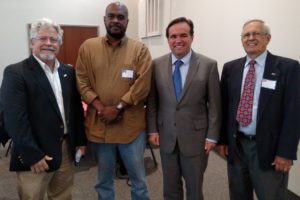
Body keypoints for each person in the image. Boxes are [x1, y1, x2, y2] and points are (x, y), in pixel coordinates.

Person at [0, 18, 87, 199]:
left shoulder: (68, 72)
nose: (48, 43)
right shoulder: (16, 73)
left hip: (64, 148)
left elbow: (75, 110)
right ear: (32, 42)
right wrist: (32, 155)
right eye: (43, 38)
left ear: (59, 44)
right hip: (35, 152)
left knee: (63, 195)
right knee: (32, 196)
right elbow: (15, 119)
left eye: (53, 40)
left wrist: (80, 141)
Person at [75, 2, 152, 199]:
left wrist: (118, 108)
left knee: (139, 182)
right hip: (100, 129)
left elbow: (142, 85)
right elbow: (81, 81)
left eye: (120, 17)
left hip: (131, 130)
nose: (116, 20)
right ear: (104, 19)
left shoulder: (140, 49)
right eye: (112, 16)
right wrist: (101, 108)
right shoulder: (88, 47)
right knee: (103, 182)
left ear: (127, 21)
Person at [218, 19, 300, 200]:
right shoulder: (231, 68)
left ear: (268, 38)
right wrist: (223, 140)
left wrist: (286, 152)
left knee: (270, 195)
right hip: (237, 145)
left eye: (256, 34)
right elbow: (225, 107)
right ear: (242, 40)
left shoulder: (287, 68)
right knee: (238, 194)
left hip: (269, 150)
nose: (251, 38)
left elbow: (294, 113)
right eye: (246, 35)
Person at [147, 17, 221, 200]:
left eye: (183, 35)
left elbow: (215, 105)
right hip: (167, 136)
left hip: (196, 138)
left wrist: (212, 135)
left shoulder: (208, 65)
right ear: (168, 40)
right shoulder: (156, 65)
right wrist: (153, 129)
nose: (177, 40)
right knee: (170, 188)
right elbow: (153, 102)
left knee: (194, 188)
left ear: (192, 37)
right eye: (173, 36)